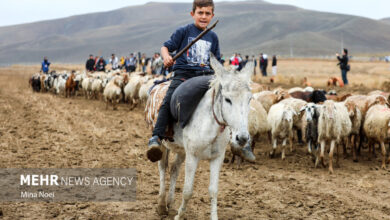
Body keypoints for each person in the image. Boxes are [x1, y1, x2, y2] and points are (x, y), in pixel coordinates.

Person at [147, 0, 221, 162]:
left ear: (212, 16)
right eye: (200, 13)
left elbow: (217, 61)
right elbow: (165, 47)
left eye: (207, 13)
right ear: (192, 14)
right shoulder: (184, 31)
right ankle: (157, 137)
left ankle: (239, 139)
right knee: (169, 98)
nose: (203, 16)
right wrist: (166, 57)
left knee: (227, 98)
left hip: (206, 76)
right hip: (184, 75)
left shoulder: (213, 37)